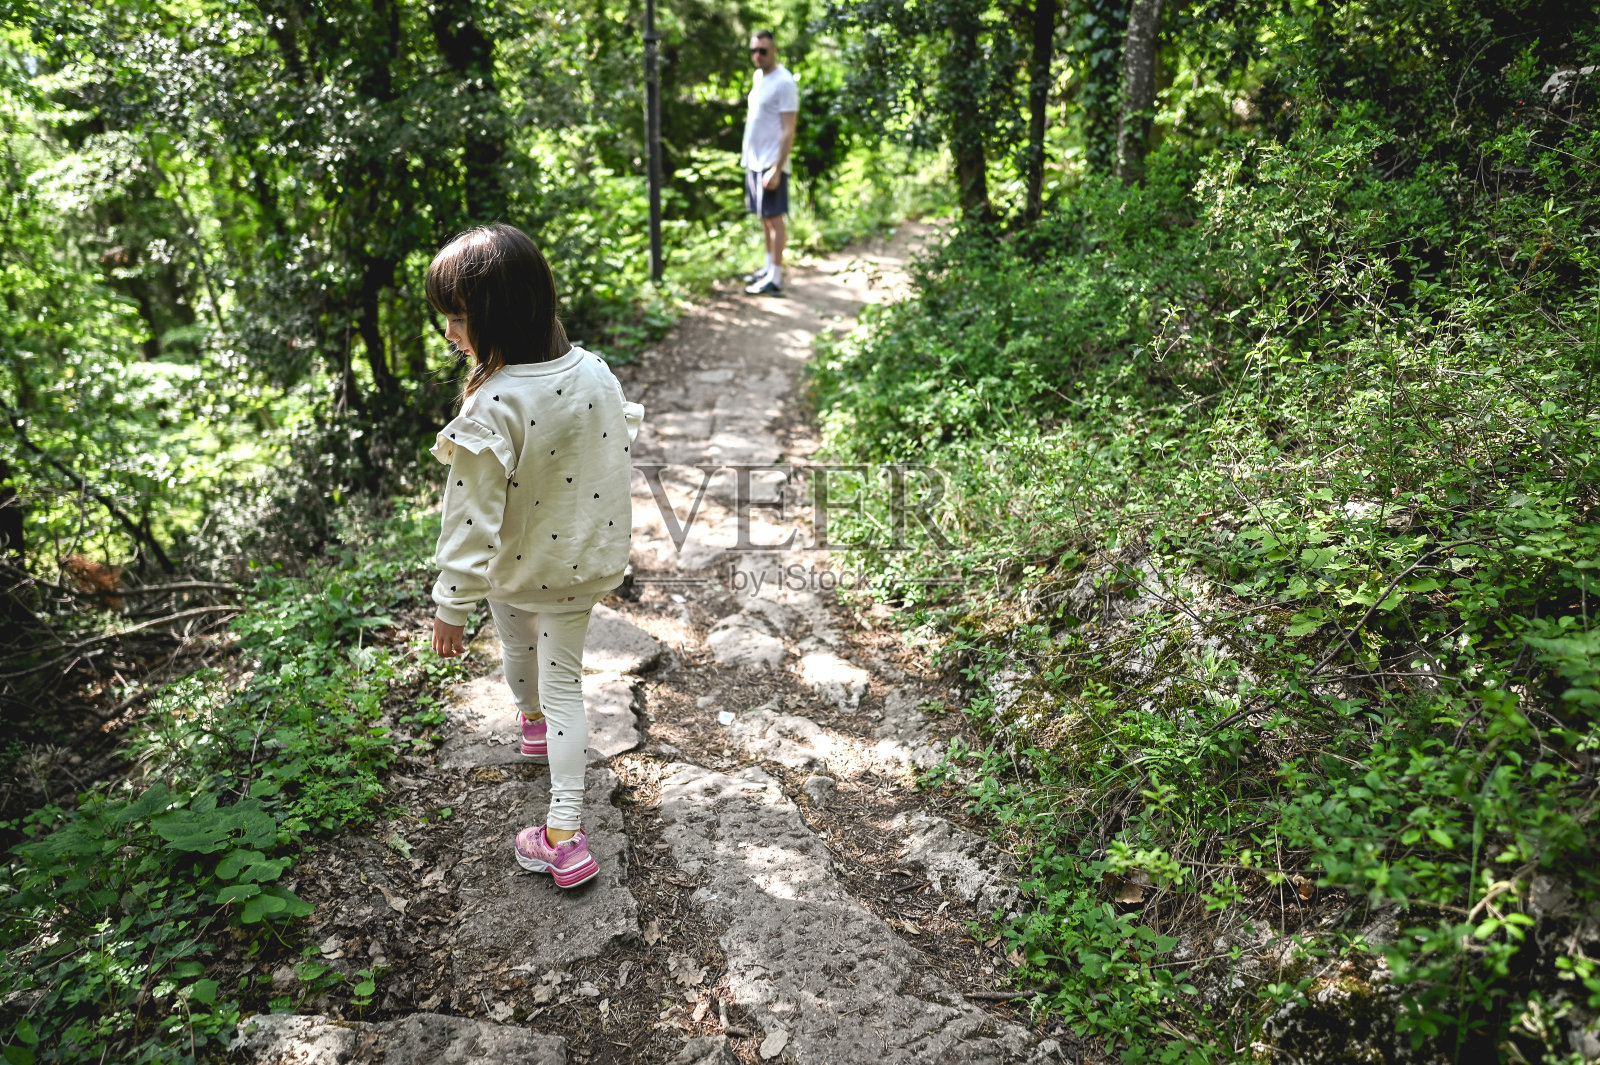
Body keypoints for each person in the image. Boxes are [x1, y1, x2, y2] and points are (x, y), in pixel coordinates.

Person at [425, 223, 644, 890]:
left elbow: (470, 515)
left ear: (498, 314)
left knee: (524, 662)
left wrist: (449, 605)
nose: (449, 334)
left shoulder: (494, 401)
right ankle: (558, 806)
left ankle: (561, 832)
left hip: (516, 567)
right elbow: (613, 452)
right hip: (581, 566)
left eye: (457, 319)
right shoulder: (594, 371)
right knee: (562, 685)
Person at [740, 29, 799, 296]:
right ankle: (767, 268)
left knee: (775, 219)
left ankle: (775, 277)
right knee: (764, 218)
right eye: (754, 50)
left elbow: (789, 129)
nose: (758, 55)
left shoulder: (784, 82)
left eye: (763, 50)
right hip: (754, 161)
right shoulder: (758, 77)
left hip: (771, 162)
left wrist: (777, 167)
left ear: (774, 50)